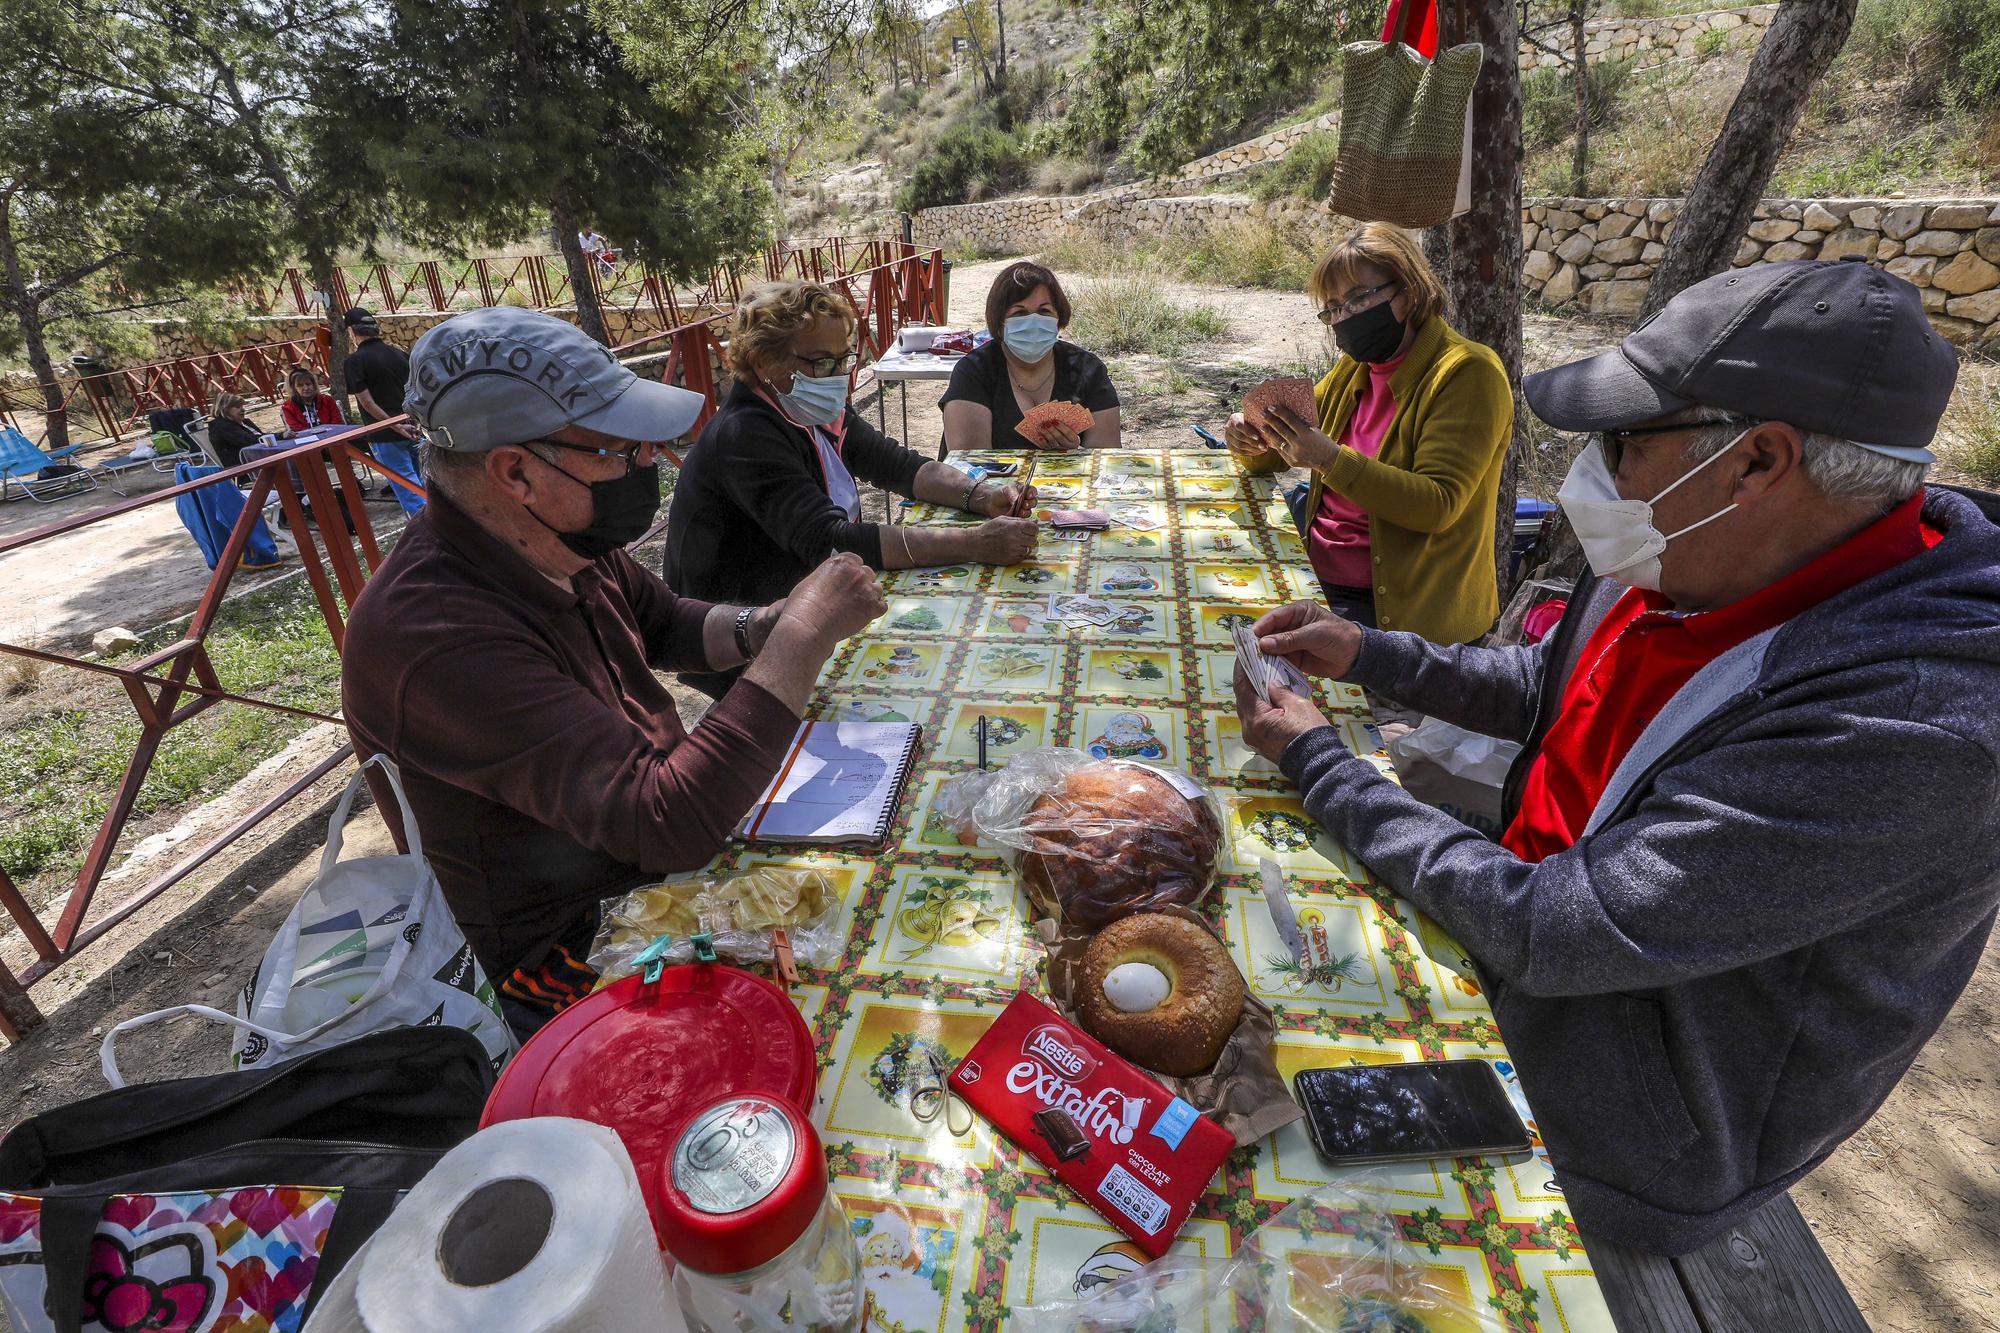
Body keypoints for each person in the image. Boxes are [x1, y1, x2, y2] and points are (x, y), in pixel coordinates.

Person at [1230, 260, 2000, 1256]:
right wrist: (1369, 652)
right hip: (1522, 934)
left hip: (1615, 1125)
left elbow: (1564, 927)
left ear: (1758, 462)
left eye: (1624, 441)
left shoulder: (1914, 724)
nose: (1593, 471)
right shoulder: (1696, 552)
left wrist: (1321, 763)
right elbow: (1548, 686)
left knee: (1267, 1185)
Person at [342, 306, 888, 1037]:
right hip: (565, 951)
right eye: (618, 449)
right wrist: (801, 638)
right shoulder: (437, 635)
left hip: (648, 871)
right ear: (517, 472)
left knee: (877, 893)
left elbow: (663, 620)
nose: (645, 464)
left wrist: (765, 622)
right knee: (840, 1013)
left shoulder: (547, 536)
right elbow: (669, 823)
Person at [664, 279, 1039, 696]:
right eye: (823, 363)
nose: (838, 377)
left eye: (845, 360)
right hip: (741, 642)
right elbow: (832, 540)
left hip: (799, 602)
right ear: (764, 362)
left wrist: (981, 494)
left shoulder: (803, 404)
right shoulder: (745, 434)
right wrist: (973, 544)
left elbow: (896, 465)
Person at [1225, 223, 1512, 643]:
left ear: (1410, 291)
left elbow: (1438, 504)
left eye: (1359, 299)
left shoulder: (1468, 373)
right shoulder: (1356, 367)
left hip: (1398, 613)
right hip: (1320, 578)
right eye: (1333, 309)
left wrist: (1328, 459)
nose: (1345, 318)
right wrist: (1249, 440)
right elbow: (1281, 445)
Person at [940, 261, 1120, 452]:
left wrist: (1076, 454)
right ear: (1000, 322)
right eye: (1020, 313)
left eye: (1044, 311)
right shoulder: (974, 371)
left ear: (1059, 318)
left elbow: (1107, 458)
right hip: (989, 482)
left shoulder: (1088, 369)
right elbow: (968, 463)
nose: (1033, 322)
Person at [340, 306, 426, 517]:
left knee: (407, 486)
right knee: (424, 479)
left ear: (351, 331)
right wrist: (414, 421)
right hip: (414, 426)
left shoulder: (354, 362)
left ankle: (431, 531)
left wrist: (395, 426)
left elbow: (367, 402)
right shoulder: (398, 354)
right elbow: (418, 389)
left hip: (385, 433)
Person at [206, 392, 262, 468]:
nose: (243, 410)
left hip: (259, 459)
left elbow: (260, 437)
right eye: (238, 407)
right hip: (244, 468)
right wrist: (279, 436)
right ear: (225, 409)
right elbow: (249, 440)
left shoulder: (245, 422)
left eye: (242, 406)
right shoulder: (221, 427)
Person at [279, 367, 343, 433]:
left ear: (314, 385)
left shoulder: (327, 400)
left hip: (332, 435)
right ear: (294, 388)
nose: (306, 388)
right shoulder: (288, 407)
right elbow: (296, 429)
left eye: (308, 384)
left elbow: (337, 422)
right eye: (300, 385)